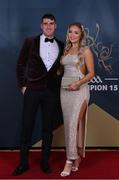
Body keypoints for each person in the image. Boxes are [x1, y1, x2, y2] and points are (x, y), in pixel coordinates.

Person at [12, 14, 64, 176]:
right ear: (41, 26)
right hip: (32, 91)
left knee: (48, 129)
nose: (48, 26)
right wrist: (23, 86)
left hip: (51, 93)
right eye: (45, 23)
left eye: (51, 23)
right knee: (27, 126)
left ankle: (44, 161)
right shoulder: (30, 42)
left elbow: (61, 70)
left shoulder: (61, 45)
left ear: (55, 26)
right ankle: (23, 163)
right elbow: (20, 64)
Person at [60, 22, 95, 177]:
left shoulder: (85, 50)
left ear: (81, 35)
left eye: (76, 32)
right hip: (64, 90)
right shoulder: (66, 49)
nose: (72, 35)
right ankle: (77, 156)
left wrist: (78, 83)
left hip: (80, 90)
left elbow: (91, 73)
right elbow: (62, 70)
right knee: (68, 125)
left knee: (73, 124)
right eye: (70, 32)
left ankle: (69, 159)